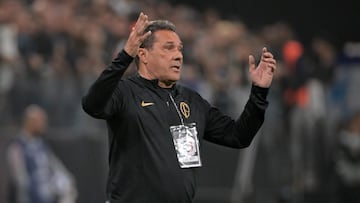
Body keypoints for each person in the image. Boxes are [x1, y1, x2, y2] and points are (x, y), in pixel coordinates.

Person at [82, 12, 276, 203]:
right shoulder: (125, 93)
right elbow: (92, 105)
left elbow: (238, 136)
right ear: (143, 55)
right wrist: (124, 56)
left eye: (180, 49)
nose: (178, 56)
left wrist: (259, 92)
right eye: (168, 48)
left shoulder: (191, 101)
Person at [5, 104, 77, 203]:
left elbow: (58, 169)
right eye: (41, 121)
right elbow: (20, 182)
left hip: (47, 195)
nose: (44, 124)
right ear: (30, 122)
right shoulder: (17, 147)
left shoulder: (42, 146)